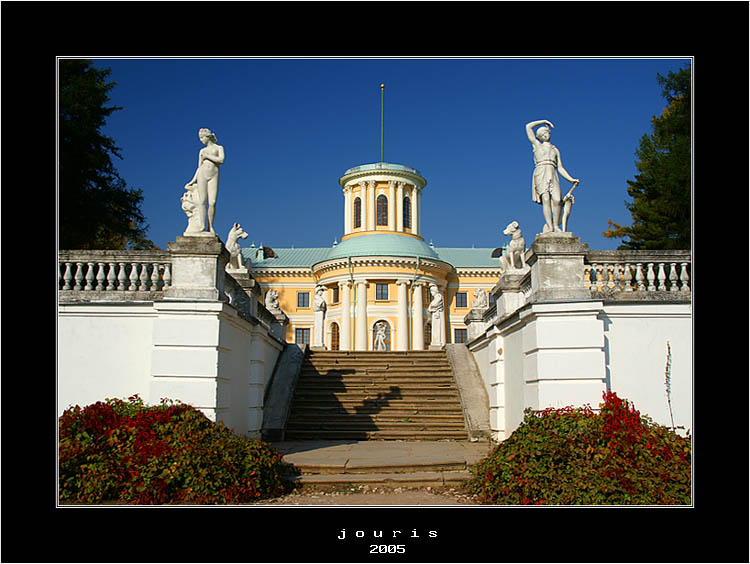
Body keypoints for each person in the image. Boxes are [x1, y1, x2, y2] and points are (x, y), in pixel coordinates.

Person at [525, 120, 579, 233]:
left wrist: (571, 179)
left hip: (552, 172)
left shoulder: (555, 150)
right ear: (539, 136)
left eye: (546, 132)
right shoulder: (537, 145)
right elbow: (528, 127)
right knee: (545, 199)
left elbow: (560, 167)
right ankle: (550, 226)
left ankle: (556, 226)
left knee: (557, 200)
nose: (545, 134)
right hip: (541, 171)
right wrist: (543, 121)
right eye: (542, 133)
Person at [184, 128, 225, 234]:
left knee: (212, 202)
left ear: (208, 137)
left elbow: (221, 160)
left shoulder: (218, 148)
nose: (201, 140)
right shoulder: (202, 151)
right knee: (202, 202)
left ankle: (210, 226)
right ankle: (202, 226)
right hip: (202, 174)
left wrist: (208, 156)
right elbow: (199, 167)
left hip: (213, 174)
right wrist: (192, 181)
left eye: (202, 138)